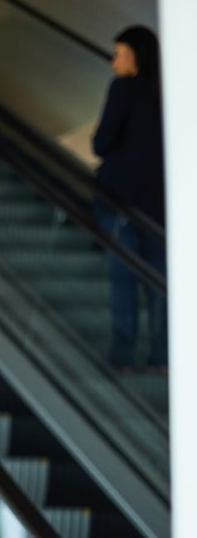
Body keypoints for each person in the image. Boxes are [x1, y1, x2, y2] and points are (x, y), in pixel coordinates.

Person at [92, 24, 167, 369]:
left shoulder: (124, 88)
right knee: (159, 284)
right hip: (161, 207)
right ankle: (163, 357)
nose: (114, 62)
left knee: (123, 280)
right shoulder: (166, 92)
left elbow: (101, 143)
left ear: (137, 57)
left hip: (122, 201)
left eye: (120, 53)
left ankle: (123, 355)